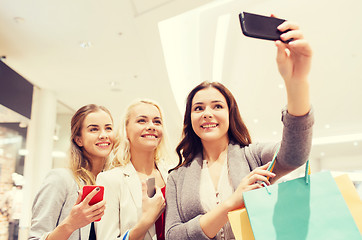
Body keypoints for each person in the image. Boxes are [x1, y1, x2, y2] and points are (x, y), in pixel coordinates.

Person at [165, 19, 314, 239]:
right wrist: (231, 204)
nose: (207, 113)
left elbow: (294, 155)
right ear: (190, 119)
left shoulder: (252, 157)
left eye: (217, 106)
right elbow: (173, 235)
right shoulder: (177, 176)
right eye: (198, 108)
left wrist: (297, 82)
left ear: (229, 114)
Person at [29, 104, 115, 240]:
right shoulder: (60, 179)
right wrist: (70, 224)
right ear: (78, 139)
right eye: (94, 129)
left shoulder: (113, 183)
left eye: (108, 128)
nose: (104, 135)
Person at [96, 99, 172, 240]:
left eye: (157, 121)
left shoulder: (174, 175)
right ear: (126, 130)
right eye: (142, 121)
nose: (151, 126)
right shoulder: (109, 180)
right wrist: (146, 221)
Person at [0, 173, 24, 240]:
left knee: (19, 236)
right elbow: (1, 205)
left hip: (22, 219)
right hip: (12, 218)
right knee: (11, 237)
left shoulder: (24, 193)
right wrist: (6, 212)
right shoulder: (10, 193)